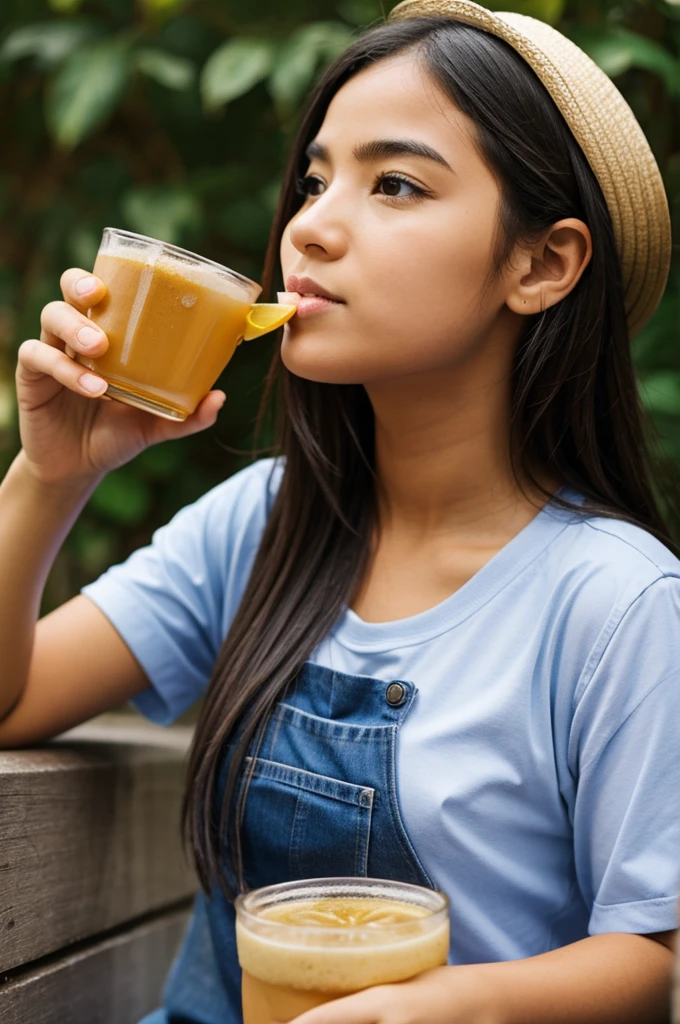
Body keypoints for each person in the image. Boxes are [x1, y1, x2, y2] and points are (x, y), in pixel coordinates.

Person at [1, 0, 678, 1020]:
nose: (308, 224)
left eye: (393, 183)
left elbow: (650, 957)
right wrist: (51, 473)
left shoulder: (617, 602)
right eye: (314, 179)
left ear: (540, 264)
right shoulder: (264, 521)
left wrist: (437, 1007)